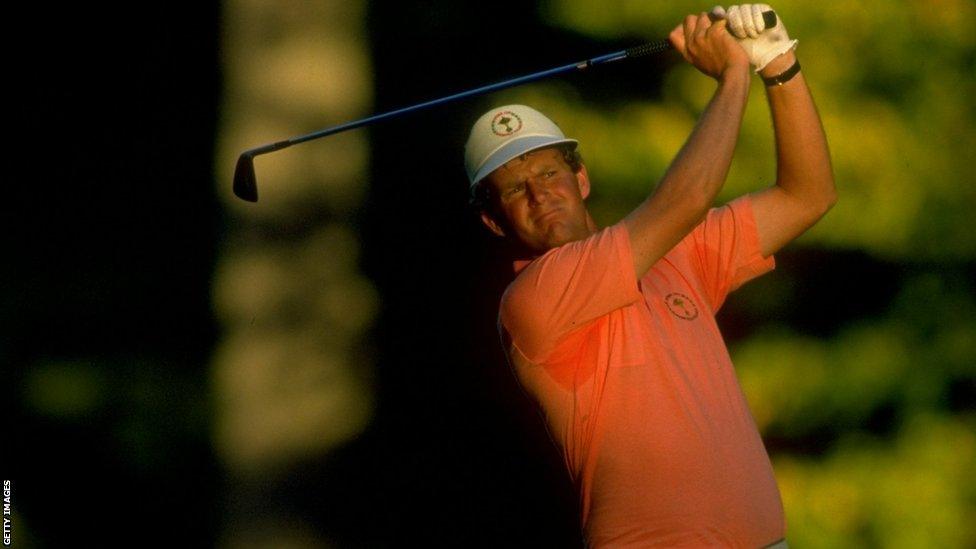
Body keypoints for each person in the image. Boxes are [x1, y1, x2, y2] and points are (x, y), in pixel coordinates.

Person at [463, 4, 835, 548]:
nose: (540, 193)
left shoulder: (674, 254)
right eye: (514, 188)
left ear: (581, 178)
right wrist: (734, 74)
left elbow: (808, 196)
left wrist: (778, 63)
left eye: (548, 171)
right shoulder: (532, 300)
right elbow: (686, 199)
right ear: (493, 220)